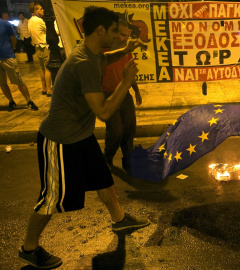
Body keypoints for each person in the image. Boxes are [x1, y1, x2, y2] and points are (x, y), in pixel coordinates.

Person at [18, 6, 149, 269]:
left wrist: (125, 50)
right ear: (100, 30)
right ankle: (29, 248)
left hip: (80, 135)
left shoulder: (89, 53)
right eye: (114, 31)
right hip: (60, 140)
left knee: (102, 176)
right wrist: (126, 82)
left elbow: (105, 59)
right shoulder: (84, 62)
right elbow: (103, 112)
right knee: (52, 197)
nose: (117, 35)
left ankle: (120, 219)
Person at [102, 19, 142, 172]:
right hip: (107, 95)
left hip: (124, 94)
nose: (126, 38)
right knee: (115, 131)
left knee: (129, 129)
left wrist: (136, 90)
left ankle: (128, 160)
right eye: (122, 35)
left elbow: (130, 72)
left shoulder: (126, 50)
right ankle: (107, 157)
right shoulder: (101, 52)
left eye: (127, 35)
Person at [1, 12, 38, 111]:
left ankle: (29, 101)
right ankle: (11, 101)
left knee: (18, 80)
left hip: (7, 56)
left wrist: (12, 48)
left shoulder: (5, 24)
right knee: (2, 83)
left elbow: (13, 38)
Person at [28, 2, 52, 96]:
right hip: (44, 45)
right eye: (41, 9)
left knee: (42, 68)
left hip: (37, 46)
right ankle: (49, 90)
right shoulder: (39, 21)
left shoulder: (30, 20)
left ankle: (44, 88)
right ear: (35, 10)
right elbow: (50, 31)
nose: (43, 10)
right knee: (48, 68)